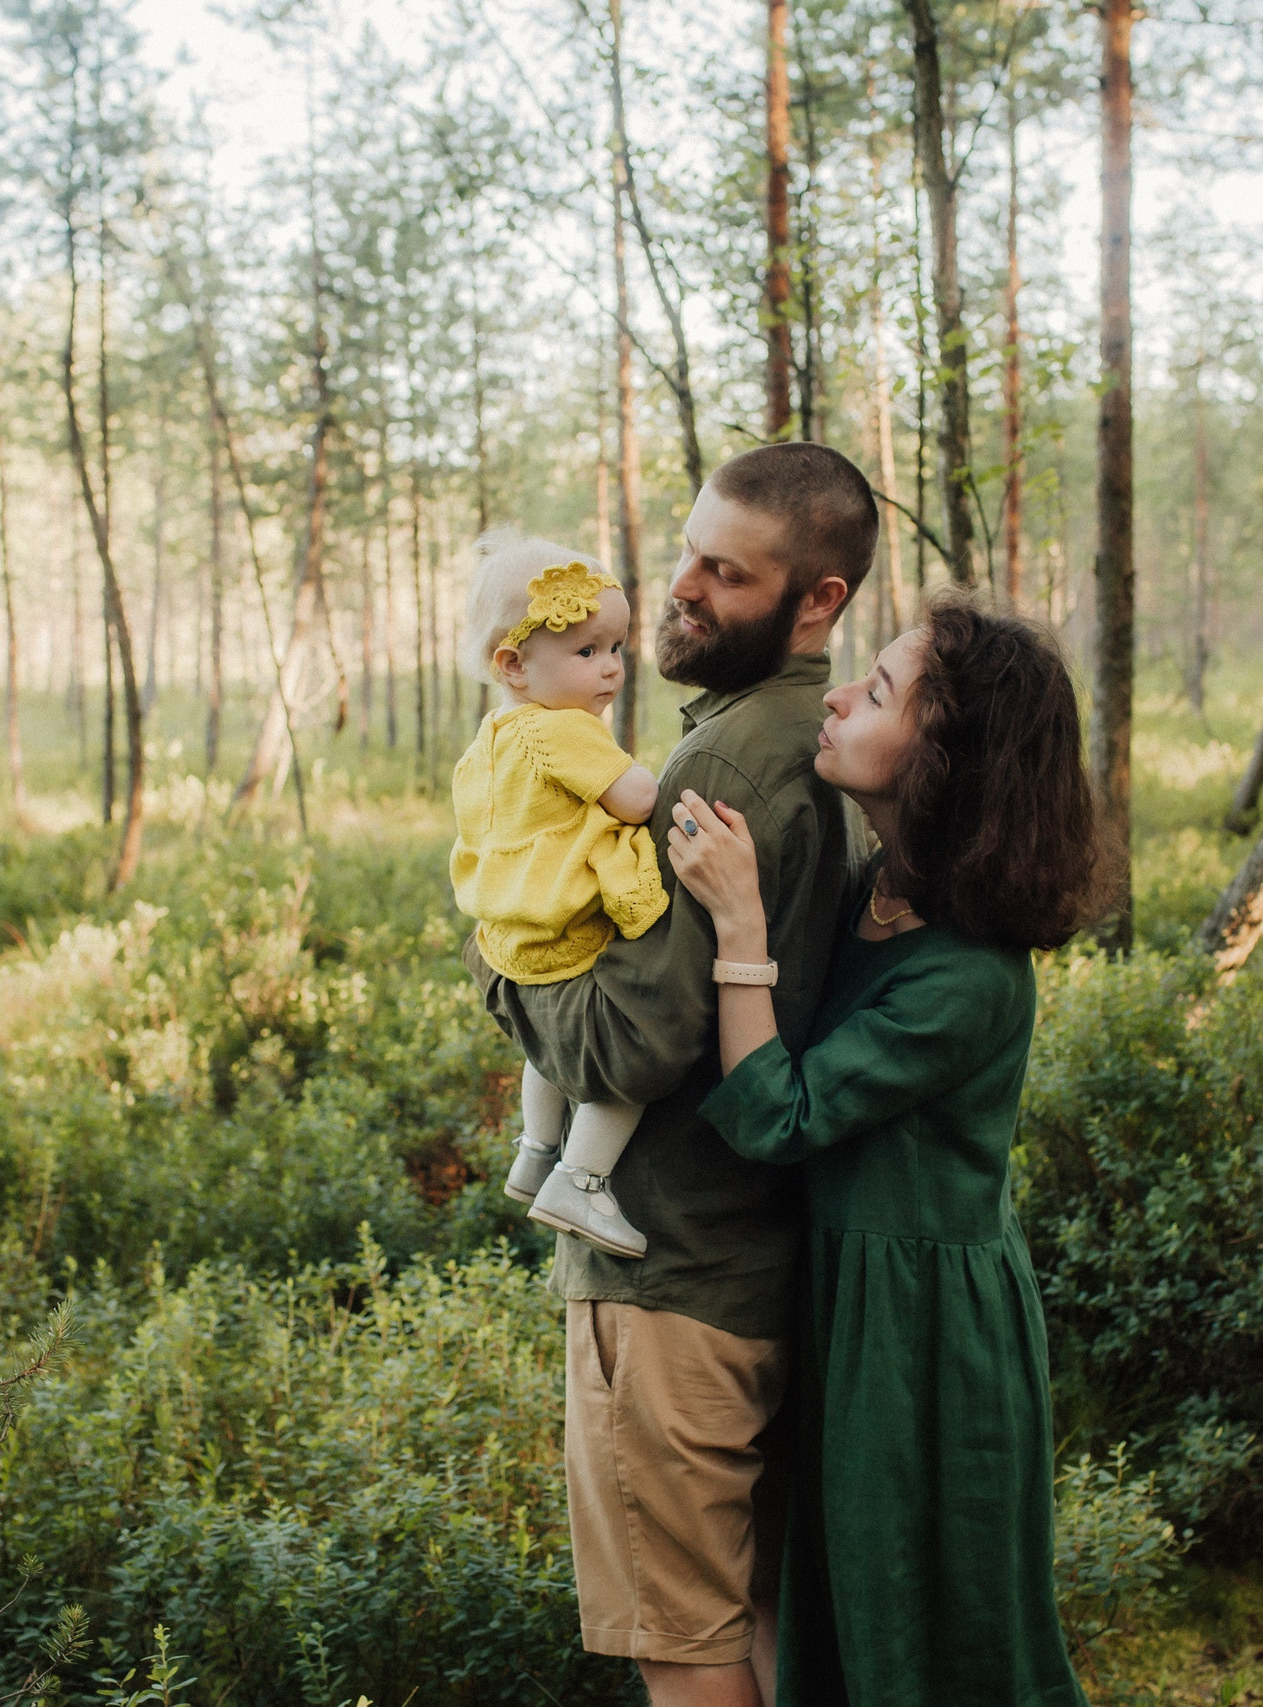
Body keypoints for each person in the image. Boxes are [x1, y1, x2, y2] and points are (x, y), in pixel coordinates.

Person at [471, 442, 878, 1707]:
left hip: (670, 1282)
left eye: (728, 571)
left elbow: (636, 1044)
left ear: (818, 600)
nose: (685, 587)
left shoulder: (722, 769)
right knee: (755, 1621)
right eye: (690, 551)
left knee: (685, 1645)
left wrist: (501, 966)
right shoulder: (825, 741)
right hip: (755, 1263)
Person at [666, 597, 1097, 1707]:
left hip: (928, 1338)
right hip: (840, 1300)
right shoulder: (873, 896)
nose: (844, 693)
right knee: (825, 1595)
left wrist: (741, 929)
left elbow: (781, 1118)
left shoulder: (970, 974)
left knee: (926, 1611)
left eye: (884, 690)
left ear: (946, 757)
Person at [450, 534, 669, 1258]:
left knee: (546, 1051)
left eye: (615, 647)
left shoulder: (492, 737)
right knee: (621, 1060)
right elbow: (636, 798)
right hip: (571, 939)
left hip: (514, 944)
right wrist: (671, 782)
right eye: (586, 652)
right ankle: (581, 1178)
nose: (609, 669)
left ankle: (536, 1149)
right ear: (513, 664)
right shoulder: (561, 730)